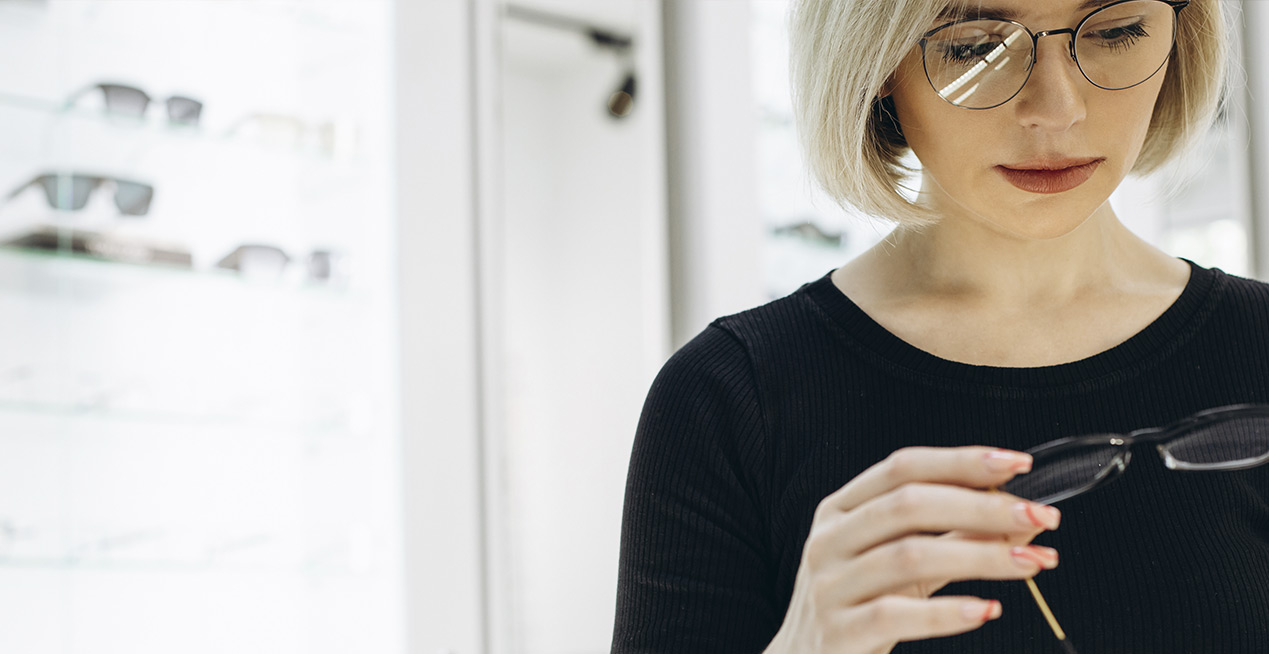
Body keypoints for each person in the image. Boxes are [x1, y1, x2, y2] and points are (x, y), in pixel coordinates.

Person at [610, 0, 1269, 652]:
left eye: (1117, 30)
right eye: (973, 46)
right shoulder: (729, 399)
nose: (1056, 106)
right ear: (875, 61)